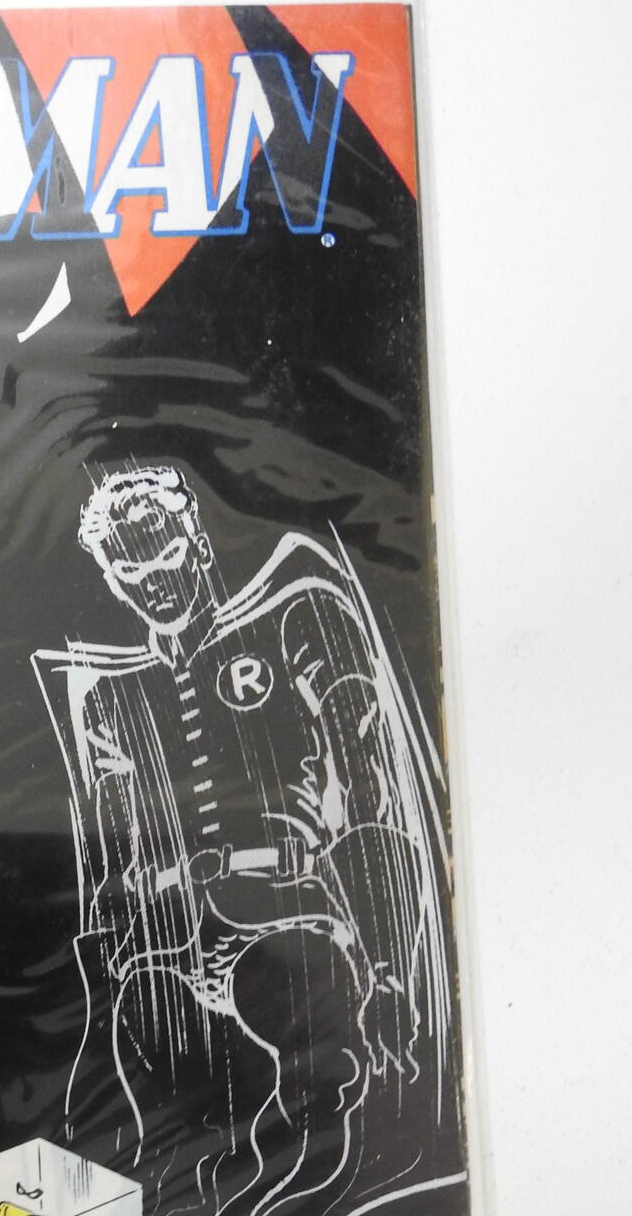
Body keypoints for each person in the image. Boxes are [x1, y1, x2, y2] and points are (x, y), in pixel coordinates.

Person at [33, 464, 448, 1178]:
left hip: (291, 912)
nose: (156, 584)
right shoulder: (110, 696)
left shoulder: (289, 619)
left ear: (198, 545)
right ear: (113, 581)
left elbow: (367, 786)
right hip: (170, 943)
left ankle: (317, 1185)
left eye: (168, 557)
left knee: (308, 1094)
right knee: (175, 1118)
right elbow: (113, 852)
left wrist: (385, 969)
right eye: (133, 573)